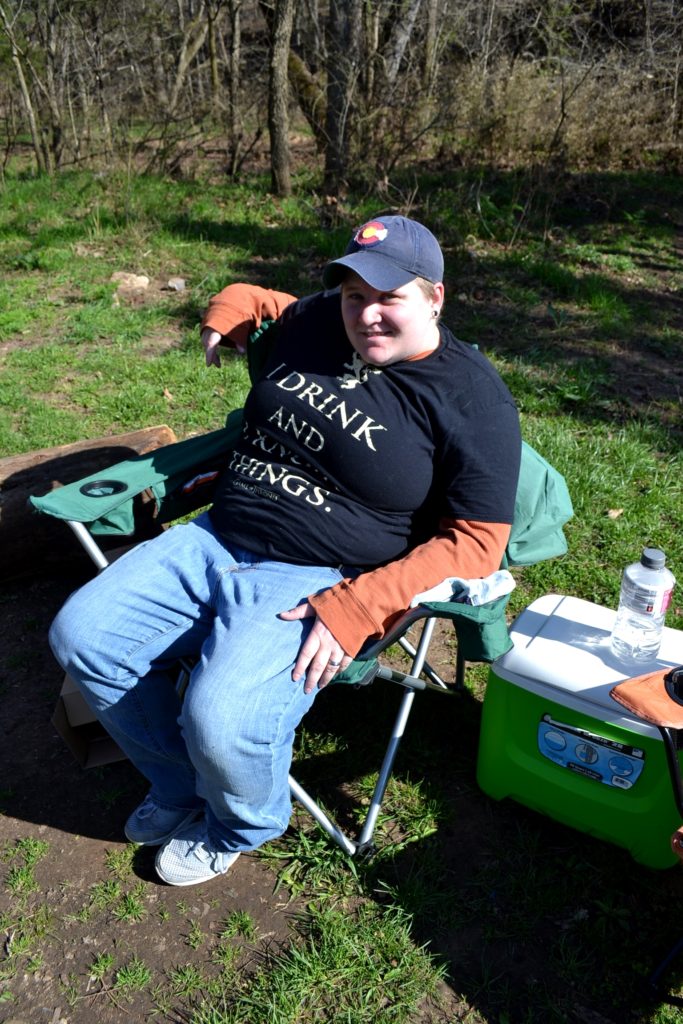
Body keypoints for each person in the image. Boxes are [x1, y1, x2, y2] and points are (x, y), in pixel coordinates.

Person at [49, 215, 522, 887]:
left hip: (319, 578)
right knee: (84, 638)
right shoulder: (324, 319)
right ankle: (181, 786)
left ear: (435, 298)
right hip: (217, 535)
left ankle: (238, 824)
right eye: (355, 295)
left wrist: (357, 605)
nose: (366, 315)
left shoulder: (471, 398)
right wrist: (228, 309)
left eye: (389, 297)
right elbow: (263, 302)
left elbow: (478, 542)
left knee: (220, 713)